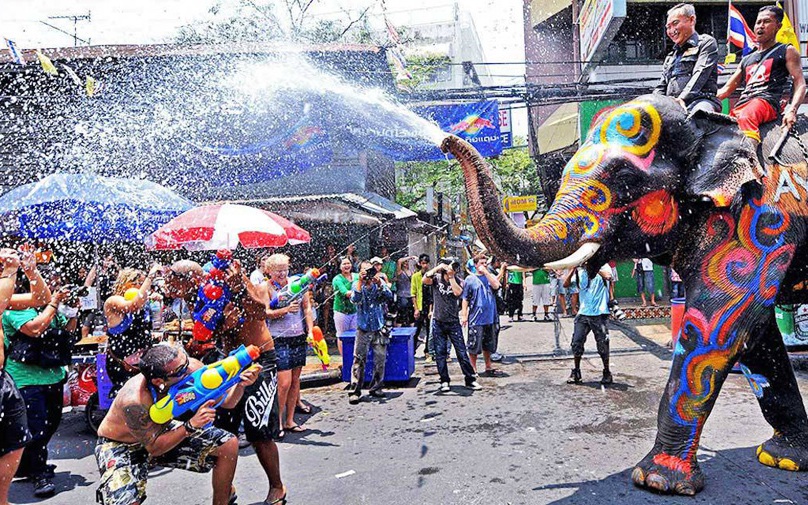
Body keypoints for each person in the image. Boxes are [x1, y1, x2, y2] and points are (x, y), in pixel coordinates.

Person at [94, 343, 260, 505]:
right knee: (125, 501)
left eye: (186, 361)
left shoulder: (191, 367)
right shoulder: (134, 401)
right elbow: (154, 448)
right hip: (121, 444)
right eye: (181, 370)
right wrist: (190, 426)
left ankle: (223, 498)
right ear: (159, 380)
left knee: (227, 444)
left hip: (163, 432)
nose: (188, 369)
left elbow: (228, 403)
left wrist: (240, 384)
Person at [207, 258, 286, 505]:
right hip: (229, 361)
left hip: (260, 359)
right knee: (221, 431)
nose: (225, 273)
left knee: (258, 429)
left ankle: (277, 486)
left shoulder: (250, 284)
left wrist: (240, 287)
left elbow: (261, 311)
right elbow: (210, 329)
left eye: (230, 269)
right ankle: (225, 488)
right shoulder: (212, 291)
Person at [3, 260, 77, 497]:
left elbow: (68, 331)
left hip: (52, 374)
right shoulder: (14, 306)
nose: (54, 289)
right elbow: (35, 328)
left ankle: (28, 464)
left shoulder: (47, 303)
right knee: (36, 427)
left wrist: (72, 310)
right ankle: (39, 473)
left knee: (51, 423)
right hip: (25, 378)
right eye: (51, 284)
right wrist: (53, 304)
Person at [718, 5, 806, 155]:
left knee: (747, 116)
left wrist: (792, 109)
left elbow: (800, 83)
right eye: (758, 22)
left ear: (778, 26)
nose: (760, 26)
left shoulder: (786, 50)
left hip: (766, 102)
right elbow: (726, 90)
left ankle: (747, 163)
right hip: (743, 104)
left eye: (766, 22)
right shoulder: (746, 59)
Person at [265, 254, 314, 434]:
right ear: (269, 271)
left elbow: (307, 308)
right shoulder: (267, 287)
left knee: (295, 381)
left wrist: (310, 331)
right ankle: (276, 422)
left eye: (285, 269)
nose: (282, 273)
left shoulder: (298, 284)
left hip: (298, 336)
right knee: (283, 383)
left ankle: (289, 420)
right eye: (278, 270)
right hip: (279, 338)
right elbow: (266, 312)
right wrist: (285, 310)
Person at [0, 249, 33, 505]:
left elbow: (40, 298)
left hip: (3, 381)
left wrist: (31, 270)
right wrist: (11, 269)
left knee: (15, 441)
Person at [423, 260, 481, 393]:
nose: (453, 269)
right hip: (438, 322)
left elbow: (457, 293)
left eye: (455, 267)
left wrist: (451, 277)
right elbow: (424, 280)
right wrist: (438, 267)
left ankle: (470, 379)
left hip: (453, 322)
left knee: (461, 352)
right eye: (450, 266)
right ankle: (444, 380)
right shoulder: (436, 279)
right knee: (440, 353)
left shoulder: (459, 280)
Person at [103, 265, 161, 395]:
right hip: (122, 364)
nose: (142, 287)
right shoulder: (113, 301)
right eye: (138, 283)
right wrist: (150, 277)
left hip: (141, 362)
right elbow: (133, 305)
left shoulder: (142, 300)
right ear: (127, 283)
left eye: (142, 283)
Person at [655, 3, 721, 113]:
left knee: (699, 116)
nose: (672, 30)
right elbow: (661, 87)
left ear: (691, 20)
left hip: (701, 101)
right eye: (668, 27)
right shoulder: (670, 57)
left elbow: (700, 73)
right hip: (672, 106)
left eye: (675, 23)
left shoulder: (706, 43)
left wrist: (682, 98)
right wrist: (652, 103)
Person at [348, 261, 394, 404]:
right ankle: (355, 390)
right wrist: (360, 283)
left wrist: (380, 282)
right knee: (359, 359)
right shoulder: (356, 284)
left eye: (370, 270)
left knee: (380, 359)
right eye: (364, 270)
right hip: (363, 328)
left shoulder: (377, 283)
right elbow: (355, 299)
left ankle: (376, 387)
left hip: (379, 327)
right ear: (359, 272)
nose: (368, 273)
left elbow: (389, 296)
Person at [564, 264, 614, 385]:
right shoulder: (580, 272)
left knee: (602, 344)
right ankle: (576, 371)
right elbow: (566, 284)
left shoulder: (603, 267)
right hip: (584, 313)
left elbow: (608, 277)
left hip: (600, 313)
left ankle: (607, 372)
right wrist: (573, 269)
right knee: (576, 342)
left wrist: (594, 267)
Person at [461, 253, 502, 377]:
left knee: (488, 345)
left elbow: (496, 285)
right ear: (475, 265)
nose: (484, 265)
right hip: (476, 318)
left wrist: (486, 273)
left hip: (490, 317)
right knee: (474, 345)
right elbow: (465, 298)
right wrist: (464, 315)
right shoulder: (470, 279)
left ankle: (488, 365)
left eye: (485, 263)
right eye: (481, 263)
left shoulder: (490, 277)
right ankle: (473, 368)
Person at [332, 257, 358, 356]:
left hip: (354, 311)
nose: (347, 266)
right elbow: (345, 293)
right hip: (341, 312)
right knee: (341, 335)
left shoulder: (356, 276)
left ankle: (354, 357)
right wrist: (359, 292)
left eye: (348, 263)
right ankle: (344, 359)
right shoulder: (337, 279)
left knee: (355, 335)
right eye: (344, 264)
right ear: (339, 266)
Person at [411, 254, 432, 358]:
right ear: (419, 263)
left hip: (429, 306)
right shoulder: (415, 276)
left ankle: (427, 351)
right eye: (423, 263)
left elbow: (432, 294)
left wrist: (431, 309)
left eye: (426, 263)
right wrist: (416, 309)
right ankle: (412, 350)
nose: (425, 266)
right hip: (419, 306)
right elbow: (413, 293)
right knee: (417, 329)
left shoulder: (431, 275)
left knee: (429, 330)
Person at [395, 255, 417, 326]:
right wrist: (410, 257)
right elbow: (399, 261)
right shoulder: (400, 272)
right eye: (404, 262)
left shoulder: (411, 271)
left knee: (411, 316)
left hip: (411, 296)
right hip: (402, 296)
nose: (406, 263)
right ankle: (398, 333)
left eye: (407, 262)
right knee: (401, 315)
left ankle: (413, 334)